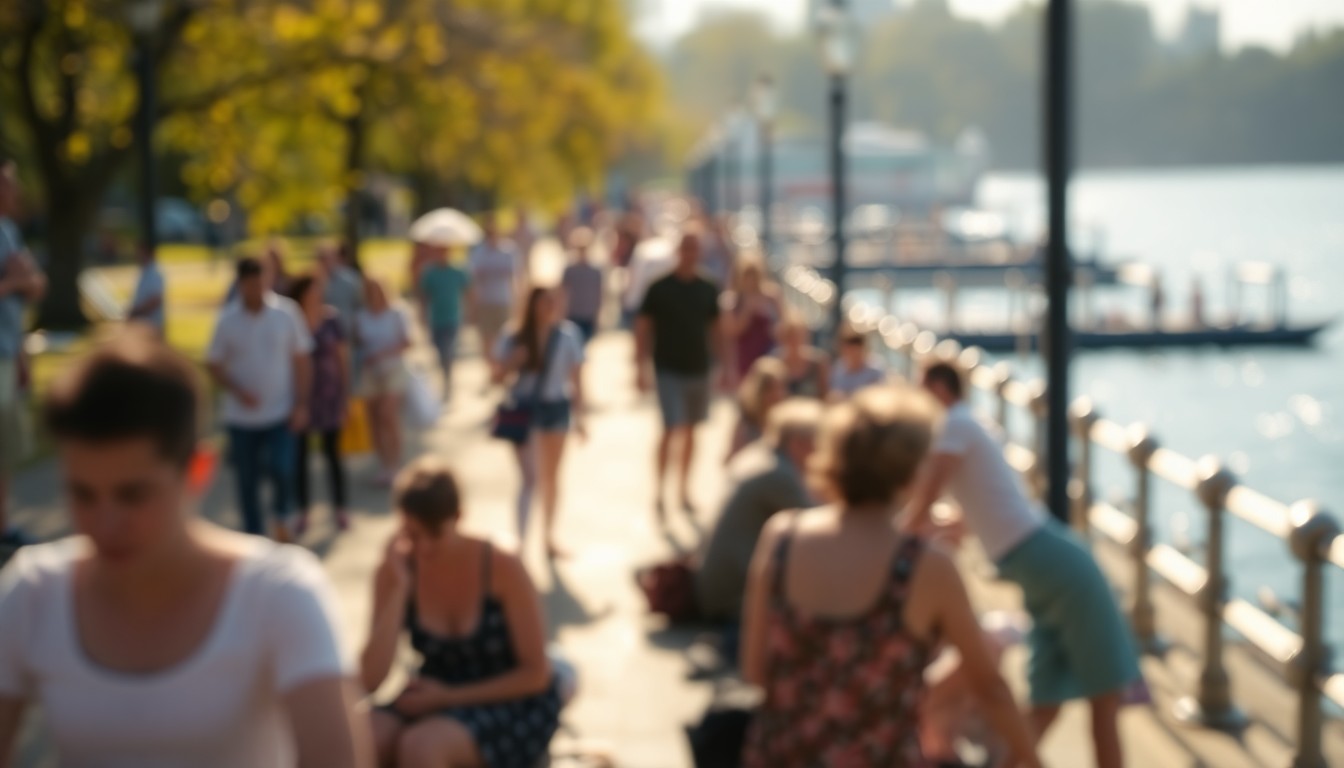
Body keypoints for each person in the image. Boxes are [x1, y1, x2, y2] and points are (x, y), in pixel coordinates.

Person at [0, 329, 370, 767]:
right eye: (82, 494)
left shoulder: (279, 594)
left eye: (133, 495)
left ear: (198, 469)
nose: (105, 523)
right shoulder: (33, 593)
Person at [740, 386, 1041, 768]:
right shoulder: (924, 566)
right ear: (912, 470)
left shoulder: (782, 537)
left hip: (782, 754)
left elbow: (755, 670)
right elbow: (990, 687)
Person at [907, 362, 1140, 768]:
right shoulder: (968, 424)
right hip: (1052, 563)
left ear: (941, 390)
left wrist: (890, 538)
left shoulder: (954, 426)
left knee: (1067, 702)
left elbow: (925, 499)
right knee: (1094, 699)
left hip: (1047, 565)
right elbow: (966, 510)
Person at [361, 457, 560, 768]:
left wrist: (447, 697)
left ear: (459, 517)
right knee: (363, 736)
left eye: (434, 535)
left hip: (508, 698)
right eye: (412, 534)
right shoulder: (395, 568)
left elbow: (536, 674)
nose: (423, 547)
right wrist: (400, 590)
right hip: (432, 693)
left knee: (420, 747)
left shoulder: (501, 563)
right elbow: (370, 679)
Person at [207, 257, 313, 540]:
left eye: (261, 282)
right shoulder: (228, 319)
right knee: (247, 480)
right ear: (240, 285)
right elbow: (214, 364)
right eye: (250, 284)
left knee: (282, 467)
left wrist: (301, 403)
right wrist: (238, 390)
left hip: (280, 411)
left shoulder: (286, 313)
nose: (257, 289)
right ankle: (253, 535)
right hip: (241, 418)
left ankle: (282, 517)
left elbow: (302, 359)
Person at [696, 399, 819, 634]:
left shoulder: (759, 454)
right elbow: (822, 524)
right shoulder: (777, 475)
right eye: (815, 445)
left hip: (712, 584)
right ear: (797, 443)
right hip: (730, 598)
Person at [635, 228, 725, 520]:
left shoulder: (707, 287)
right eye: (686, 248)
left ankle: (683, 490)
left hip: (699, 368)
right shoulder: (659, 287)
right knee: (670, 428)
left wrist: (724, 365)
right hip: (667, 368)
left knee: (691, 431)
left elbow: (716, 328)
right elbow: (643, 327)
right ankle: (660, 491)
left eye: (694, 249)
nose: (690, 254)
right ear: (678, 252)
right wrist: (640, 367)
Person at [494, 287, 587, 558]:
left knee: (551, 478)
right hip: (524, 412)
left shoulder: (569, 335)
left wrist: (581, 417)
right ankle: (520, 545)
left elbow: (577, 378)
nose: (550, 307)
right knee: (529, 479)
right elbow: (497, 377)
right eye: (545, 301)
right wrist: (514, 361)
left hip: (556, 409)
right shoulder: (513, 335)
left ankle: (548, 538)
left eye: (553, 301)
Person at [0, 160, 45, 549]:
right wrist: (14, 280)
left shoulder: (10, 231)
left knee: (7, 446)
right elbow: (22, 282)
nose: (14, 191)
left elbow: (37, 285)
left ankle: (3, 526)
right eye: (8, 184)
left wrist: (20, 355)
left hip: (8, 350)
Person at [289, 275, 351, 534]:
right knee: (300, 458)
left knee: (333, 454)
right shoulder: (291, 320)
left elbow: (342, 358)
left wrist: (345, 396)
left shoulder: (331, 319)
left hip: (329, 395)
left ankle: (340, 508)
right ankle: (303, 511)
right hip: (300, 397)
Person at [355, 279, 412, 486]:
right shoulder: (361, 316)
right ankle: (384, 464)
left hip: (393, 369)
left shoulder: (397, 312)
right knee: (374, 420)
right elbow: (358, 344)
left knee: (388, 414)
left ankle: (396, 463)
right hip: (371, 372)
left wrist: (382, 353)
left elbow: (408, 342)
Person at [418, 243, 472, 404]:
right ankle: (445, 376)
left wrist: (471, 313)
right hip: (436, 318)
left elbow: (468, 290)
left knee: (448, 351)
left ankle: (448, 382)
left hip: (452, 318)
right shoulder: (429, 273)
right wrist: (421, 315)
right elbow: (424, 296)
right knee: (440, 351)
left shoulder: (457, 271)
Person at [469, 213, 522, 375]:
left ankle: (501, 370)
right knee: (486, 340)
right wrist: (472, 306)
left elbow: (516, 278)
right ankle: (492, 370)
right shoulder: (479, 252)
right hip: (485, 302)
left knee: (504, 339)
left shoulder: (509, 251)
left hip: (503, 301)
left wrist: (519, 301)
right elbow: (473, 281)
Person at [722, 259, 782, 389]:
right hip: (743, 357)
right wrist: (747, 311)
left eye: (753, 275)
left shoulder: (771, 297)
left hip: (768, 353)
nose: (750, 281)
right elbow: (731, 332)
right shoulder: (732, 301)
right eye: (746, 276)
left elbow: (782, 326)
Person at [726, 356, 788, 464]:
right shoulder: (746, 421)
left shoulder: (787, 421)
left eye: (780, 387)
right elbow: (731, 458)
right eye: (770, 389)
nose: (777, 394)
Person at [560, 227, 603, 344]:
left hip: (588, 314)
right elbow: (562, 292)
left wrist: (598, 314)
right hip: (573, 313)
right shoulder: (569, 269)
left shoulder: (596, 270)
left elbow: (599, 293)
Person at [775, 315, 830, 400]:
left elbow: (825, 395)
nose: (794, 340)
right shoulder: (776, 364)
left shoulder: (818, 362)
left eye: (798, 335)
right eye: (790, 336)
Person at [829, 323, 888, 400]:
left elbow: (879, 398)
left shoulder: (876, 369)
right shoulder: (837, 369)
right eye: (848, 344)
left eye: (857, 343)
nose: (852, 351)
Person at [126, 245, 166, 338]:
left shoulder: (154, 273)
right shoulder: (144, 272)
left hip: (151, 325)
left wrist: (136, 312)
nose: (137, 256)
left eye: (140, 253)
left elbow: (155, 300)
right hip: (142, 325)